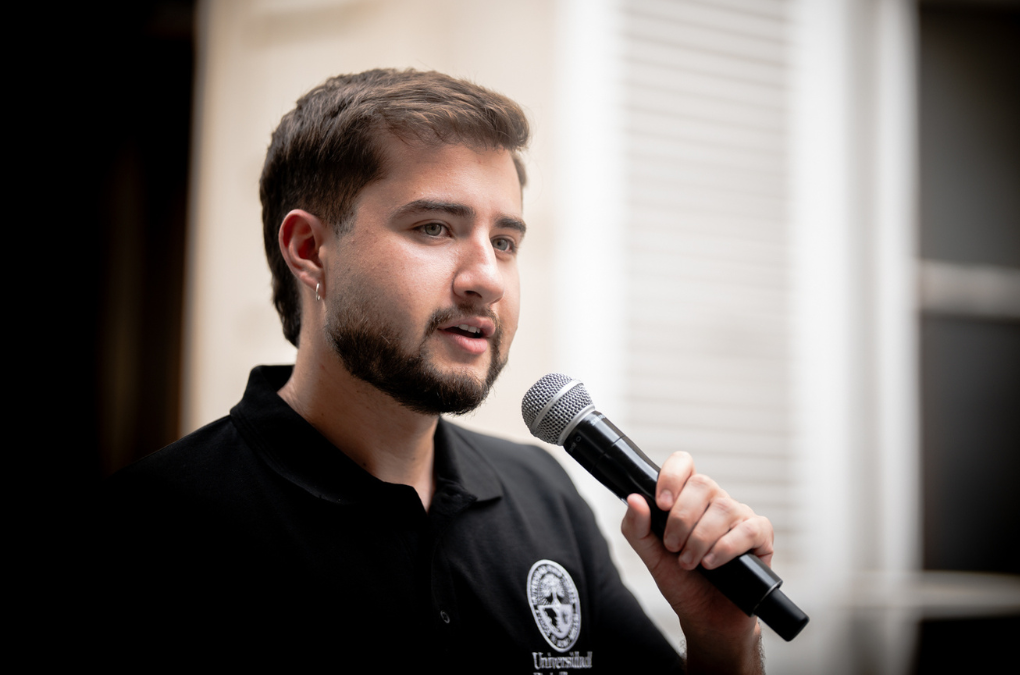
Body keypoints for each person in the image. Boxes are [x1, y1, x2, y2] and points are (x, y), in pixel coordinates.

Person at [97, 69, 775, 673]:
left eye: (504, 241)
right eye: (434, 228)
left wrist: (722, 641)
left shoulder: (542, 492)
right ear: (310, 249)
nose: (487, 278)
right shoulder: (156, 525)